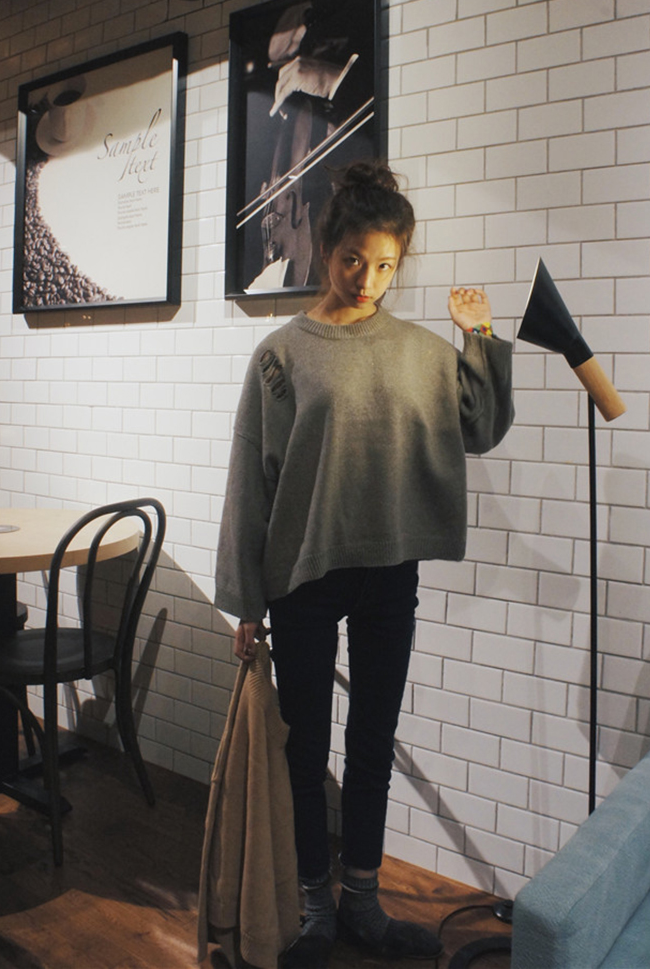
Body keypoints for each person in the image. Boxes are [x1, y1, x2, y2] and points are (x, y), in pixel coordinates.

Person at [215, 161, 514, 968]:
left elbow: (482, 425)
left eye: (386, 264)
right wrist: (247, 603)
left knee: (373, 741)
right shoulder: (281, 356)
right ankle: (314, 911)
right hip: (303, 577)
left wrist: (480, 335)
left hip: (389, 572)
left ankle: (363, 903)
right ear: (325, 247)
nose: (368, 279)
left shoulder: (420, 352)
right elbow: (251, 482)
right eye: (354, 259)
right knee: (306, 747)